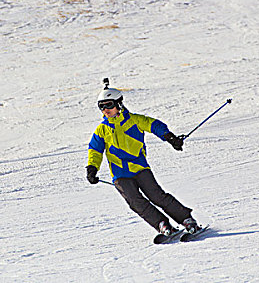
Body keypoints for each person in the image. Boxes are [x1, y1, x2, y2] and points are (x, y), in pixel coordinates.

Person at [86, 81, 200, 236]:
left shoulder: (134, 120)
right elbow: (95, 150)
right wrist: (92, 168)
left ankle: (187, 219)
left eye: (109, 105)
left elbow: (154, 125)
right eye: (101, 106)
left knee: (157, 196)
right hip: (120, 174)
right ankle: (162, 225)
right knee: (135, 202)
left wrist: (170, 138)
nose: (105, 110)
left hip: (140, 168)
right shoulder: (102, 130)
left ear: (119, 104)